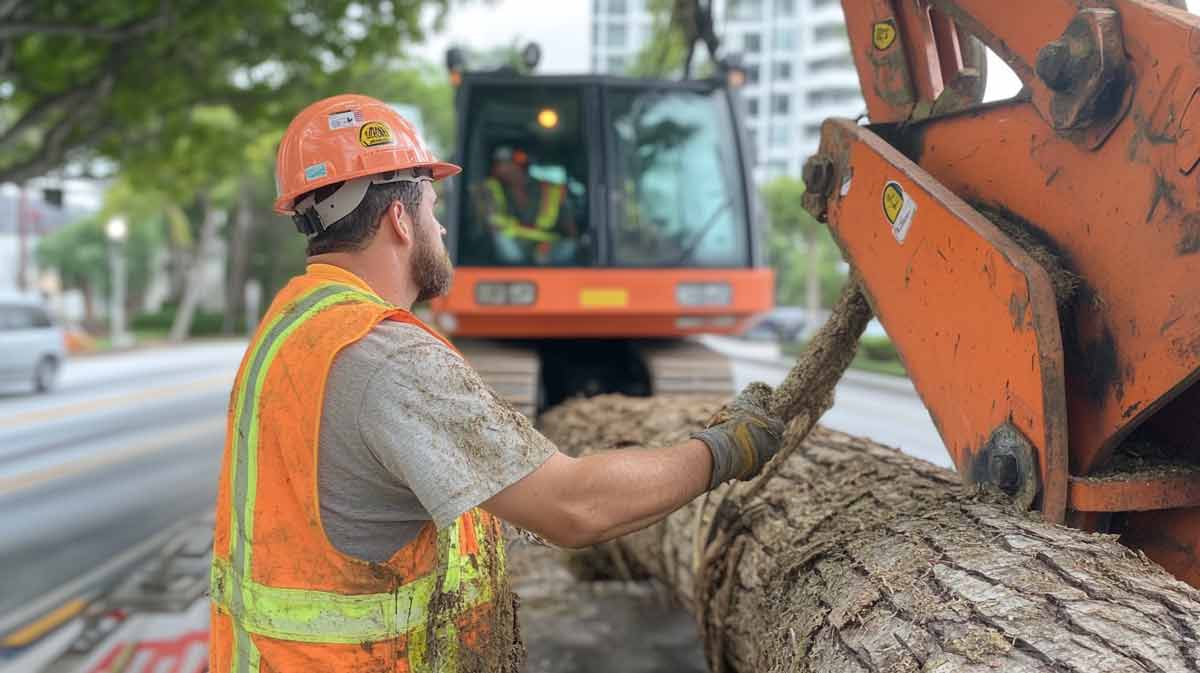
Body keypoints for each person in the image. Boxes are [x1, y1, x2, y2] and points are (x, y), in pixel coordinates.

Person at [208, 94, 785, 673]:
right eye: (432, 208)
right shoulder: (390, 358)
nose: (440, 227)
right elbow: (572, 506)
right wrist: (722, 451)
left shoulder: (295, 323)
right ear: (400, 220)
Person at [476, 144, 577, 265]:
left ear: (520, 166)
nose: (501, 169)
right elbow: (488, 225)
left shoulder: (550, 190)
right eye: (498, 164)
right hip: (511, 252)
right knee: (502, 241)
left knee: (568, 246)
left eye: (506, 164)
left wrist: (547, 246)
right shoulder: (491, 189)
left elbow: (570, 232)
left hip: (548, 250)